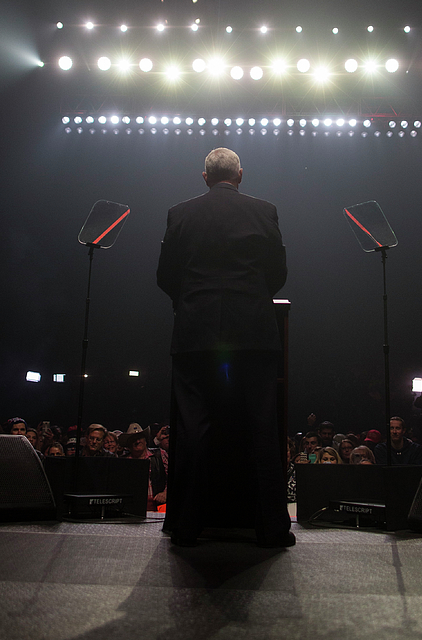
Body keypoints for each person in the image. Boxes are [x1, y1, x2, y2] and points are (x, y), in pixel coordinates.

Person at [157, 147, 293, 548]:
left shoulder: (180, 213)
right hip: (252, 334)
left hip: (196, 336)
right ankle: (271, 528)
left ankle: (185, 526)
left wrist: (193, 303)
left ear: (204, 177)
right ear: (240, 175)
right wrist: (248, 299)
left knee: (194, 429)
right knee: (261, 429)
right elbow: (278, 274)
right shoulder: (264, 211)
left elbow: (165, 276)